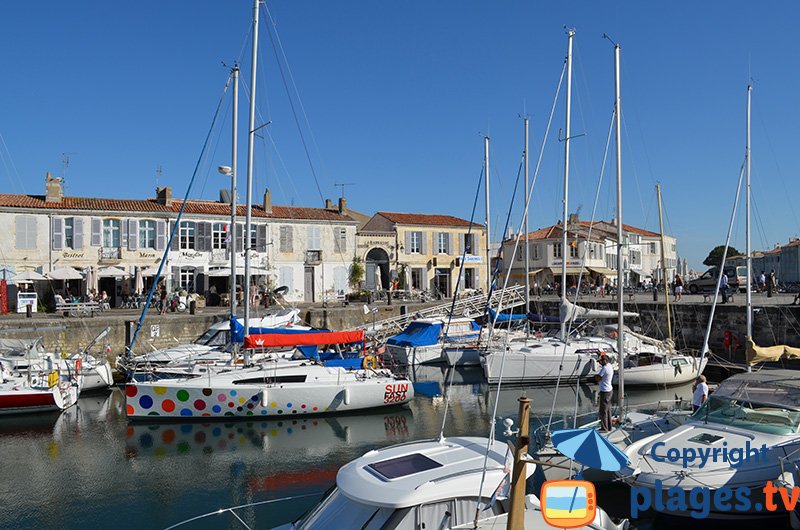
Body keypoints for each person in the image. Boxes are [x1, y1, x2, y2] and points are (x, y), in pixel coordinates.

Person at [594, 355, 614, 432]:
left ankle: (604, 428)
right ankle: (609, 427)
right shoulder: (610, 366)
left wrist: (595, 376)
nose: (600, 363)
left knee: (603, 411)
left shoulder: (604, 368)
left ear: (605, 360)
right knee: (608, 410)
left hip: (605, 391)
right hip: (609, 390)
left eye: (600, 361)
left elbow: (598, 378)